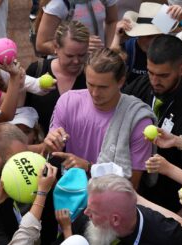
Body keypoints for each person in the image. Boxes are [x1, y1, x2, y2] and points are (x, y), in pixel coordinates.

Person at [123, 34, 182, 211]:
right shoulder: (140, 86)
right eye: (151, 72)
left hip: (167, 202)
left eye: (163, 75)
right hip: (131, 186)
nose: (155, 81)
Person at [43, 48, 156, 189]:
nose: (95, 93)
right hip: (69, 198)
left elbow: (131, 185)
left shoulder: (138, 121)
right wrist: (50, 145)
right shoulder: (67, 102)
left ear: (121, 82)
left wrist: (89, 167)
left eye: (103, 87)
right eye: (90, 84)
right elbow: (49, 156)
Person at [81, 174, 182, 244]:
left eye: (93, 212)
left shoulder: (167, 237)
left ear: (115, 220)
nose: (86, 213)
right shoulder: (90, 216)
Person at [111, 3, 182, 86]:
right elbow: (110, 65)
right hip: (132, 96)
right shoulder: (129, 47)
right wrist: (117, 37)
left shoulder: (166, 45)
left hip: (160, 96)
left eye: (157, 36)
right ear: (138, 34)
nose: (152, 41)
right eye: (148, 36)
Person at [26, 20, 89, 134]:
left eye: (82, 55)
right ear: (56, 47)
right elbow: (21, 111)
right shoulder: (37, 70)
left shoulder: (91, 77)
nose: (76, 61)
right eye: (69, 55)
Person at [36, 0, 118, 56]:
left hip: (98, 63)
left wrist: (108, 51)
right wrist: (78, 47)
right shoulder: (59, 3)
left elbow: (112, 21)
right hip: (69, 66)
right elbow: (41, 44)